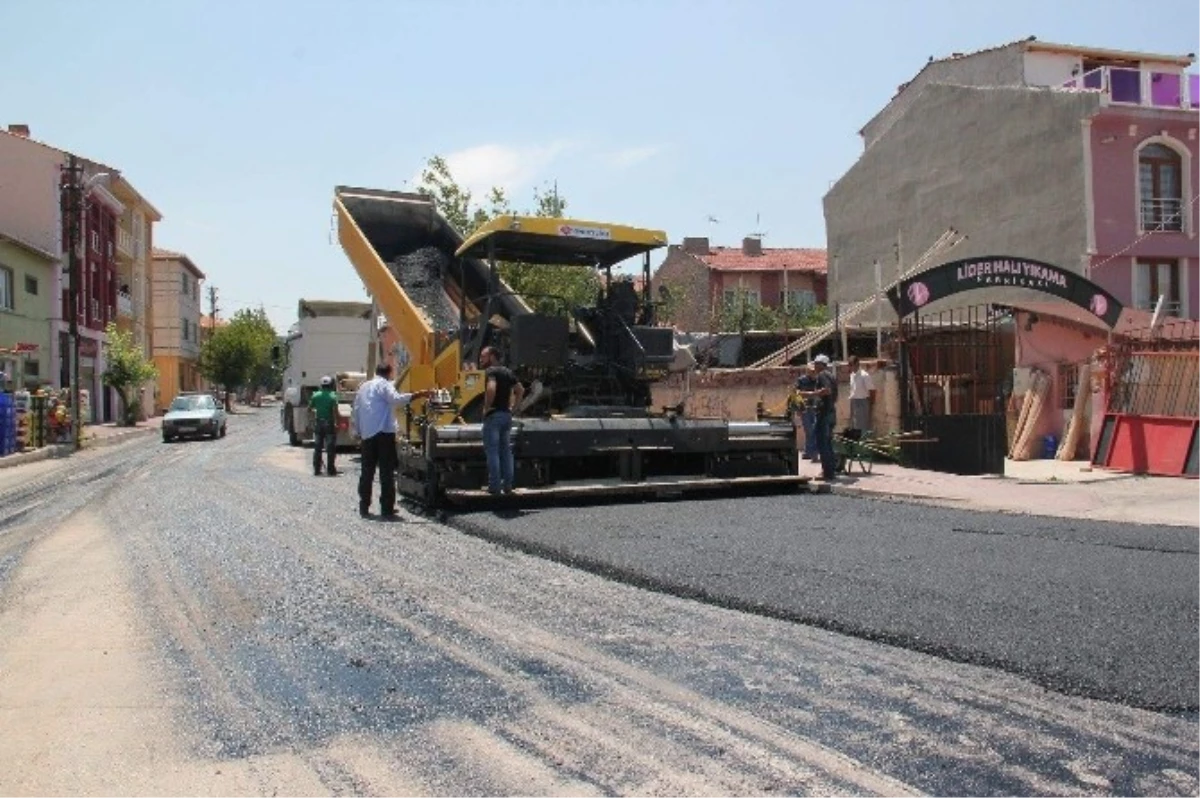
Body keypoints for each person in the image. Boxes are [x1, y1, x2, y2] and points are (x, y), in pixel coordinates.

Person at [352, 363, 430, 517]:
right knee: (386, 472)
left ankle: (364, 506)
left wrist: (359, 432)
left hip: (367, 435)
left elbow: (356, 410)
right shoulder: (384, 385)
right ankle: (387, 508)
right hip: (383, 433)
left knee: (367, 472)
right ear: (389, 373)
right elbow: (396, 399)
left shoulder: (364, 387)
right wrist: (420, 394)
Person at [479, 346, 525, 495]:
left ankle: (494, 486)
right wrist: (515, 408)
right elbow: (521, 390)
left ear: (492, 357)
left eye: (483, 356)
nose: (481, 360)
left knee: (492, 451)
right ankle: (508, 485)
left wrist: (486, 408)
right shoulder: (508, 372)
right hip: (506, 415)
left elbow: (491, 388)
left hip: (494, 416)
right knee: (506, 451)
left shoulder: (491, 372)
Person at [798, 354, 838, 481]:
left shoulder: (823, 375)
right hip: (831, 412)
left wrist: (811, 395)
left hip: (824, 413)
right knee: (827, 443)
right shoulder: (832, 376)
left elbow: (827, 391)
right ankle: (830, 471)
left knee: (822, 443)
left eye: (816, 363)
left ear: (822, 364)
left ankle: (827, 473)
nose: (814, 366)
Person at [309, 375, 339, 476]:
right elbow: (335, 412)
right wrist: (336, 423)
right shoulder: (333, 396)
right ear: (330, 385)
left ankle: (317, 470)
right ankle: (331, 470)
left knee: (318, 447)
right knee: (330, 448)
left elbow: (310, 409)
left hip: (319, 423)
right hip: (329, 424)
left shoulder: (315, 395)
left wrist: (314, 416)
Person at [794, 363, 820, 462]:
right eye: (811, 371)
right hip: (804, 408)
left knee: (813, 430)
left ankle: (809, 451)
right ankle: (811, 452)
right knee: (809, 430)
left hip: (815, 407)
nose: (813, 373)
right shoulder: (801, 380)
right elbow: (796, 393)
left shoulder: (818, 380)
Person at [847, 356, 875, 434]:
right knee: (854, 424)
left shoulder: (864, 375)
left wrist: (870, 403)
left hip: (862, 401)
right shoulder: (852, 375)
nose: (850, 367)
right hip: (854, 401)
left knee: (862, 424)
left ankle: (864, 441)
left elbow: (872, 390)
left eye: (851, 365)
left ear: (857, 364)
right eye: (849, 365)